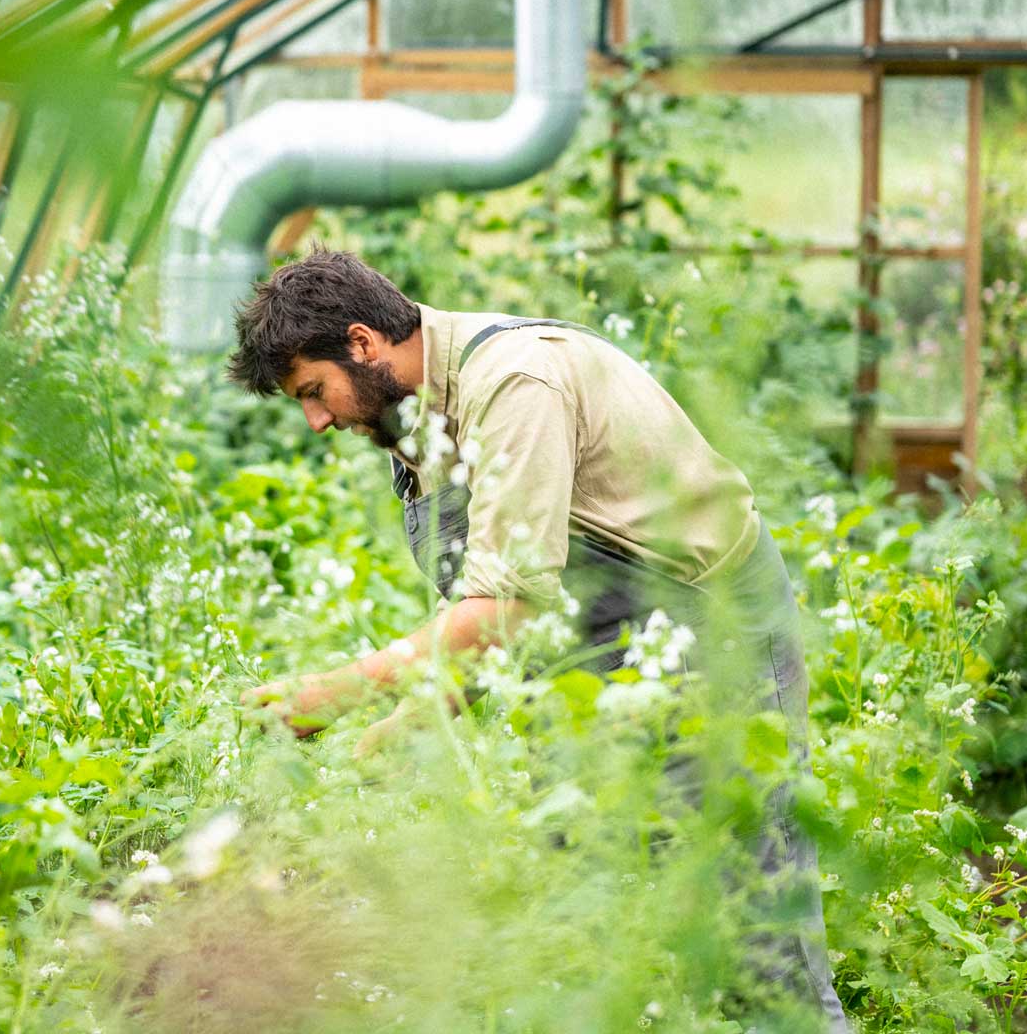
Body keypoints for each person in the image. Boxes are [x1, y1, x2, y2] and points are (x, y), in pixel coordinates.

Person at [226, 247, 848, 1033]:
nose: (317, 421)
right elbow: (509, 601)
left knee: (750, 911)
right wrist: (418, 714)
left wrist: (336, 695)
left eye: (314, 393)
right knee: (583, 894)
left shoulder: (515, 384)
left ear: (362, 343)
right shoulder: (417, 418)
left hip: (713, 622)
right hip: (598, 644)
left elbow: (504, 609)